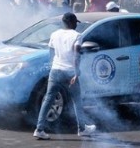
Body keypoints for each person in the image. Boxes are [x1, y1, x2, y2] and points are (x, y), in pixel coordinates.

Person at [33, 12, 96, 140]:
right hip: (69, 72)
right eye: (75, 23)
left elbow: (51, 52)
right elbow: (76, 55)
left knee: (48, 99)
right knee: (77, 100)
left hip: (56, 70)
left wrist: (52, 67)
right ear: (72, 23)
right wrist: (76, 72)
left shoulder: (54, 34)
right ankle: (82, 129)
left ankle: (39, 129)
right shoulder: (77, 35)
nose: (76, 25)